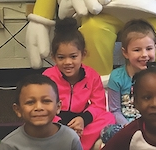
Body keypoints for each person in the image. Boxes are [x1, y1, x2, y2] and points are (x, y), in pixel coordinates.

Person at [42, 17, 115, 149]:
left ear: (83, 54)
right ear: (53, 58)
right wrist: (62, 124)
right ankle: (70, 140)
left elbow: (98, 105)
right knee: (38, 119)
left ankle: (75, 144)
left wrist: (82, 120)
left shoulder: (92, 76)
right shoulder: (48, 76)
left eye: (73, 56)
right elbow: (44, 104)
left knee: (108, 117)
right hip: (57, 120)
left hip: (81, 120)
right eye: (61, 57)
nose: (68, 62)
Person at [102, 19, 156, 142]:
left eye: (149, 48)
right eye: (137, 50)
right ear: (125, 52)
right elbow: (115, 110)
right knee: (108, 131)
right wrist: (128, 126)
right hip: (126, 126)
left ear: (155, 48)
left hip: (151, 123)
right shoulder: (117, 77)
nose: (144, 54)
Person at [0, 74, 82, 150]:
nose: (39, 107)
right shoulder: (10, 145)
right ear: (18, 109)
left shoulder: (70, 138)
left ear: (58, 107)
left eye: (46, 101)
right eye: (30, 102)